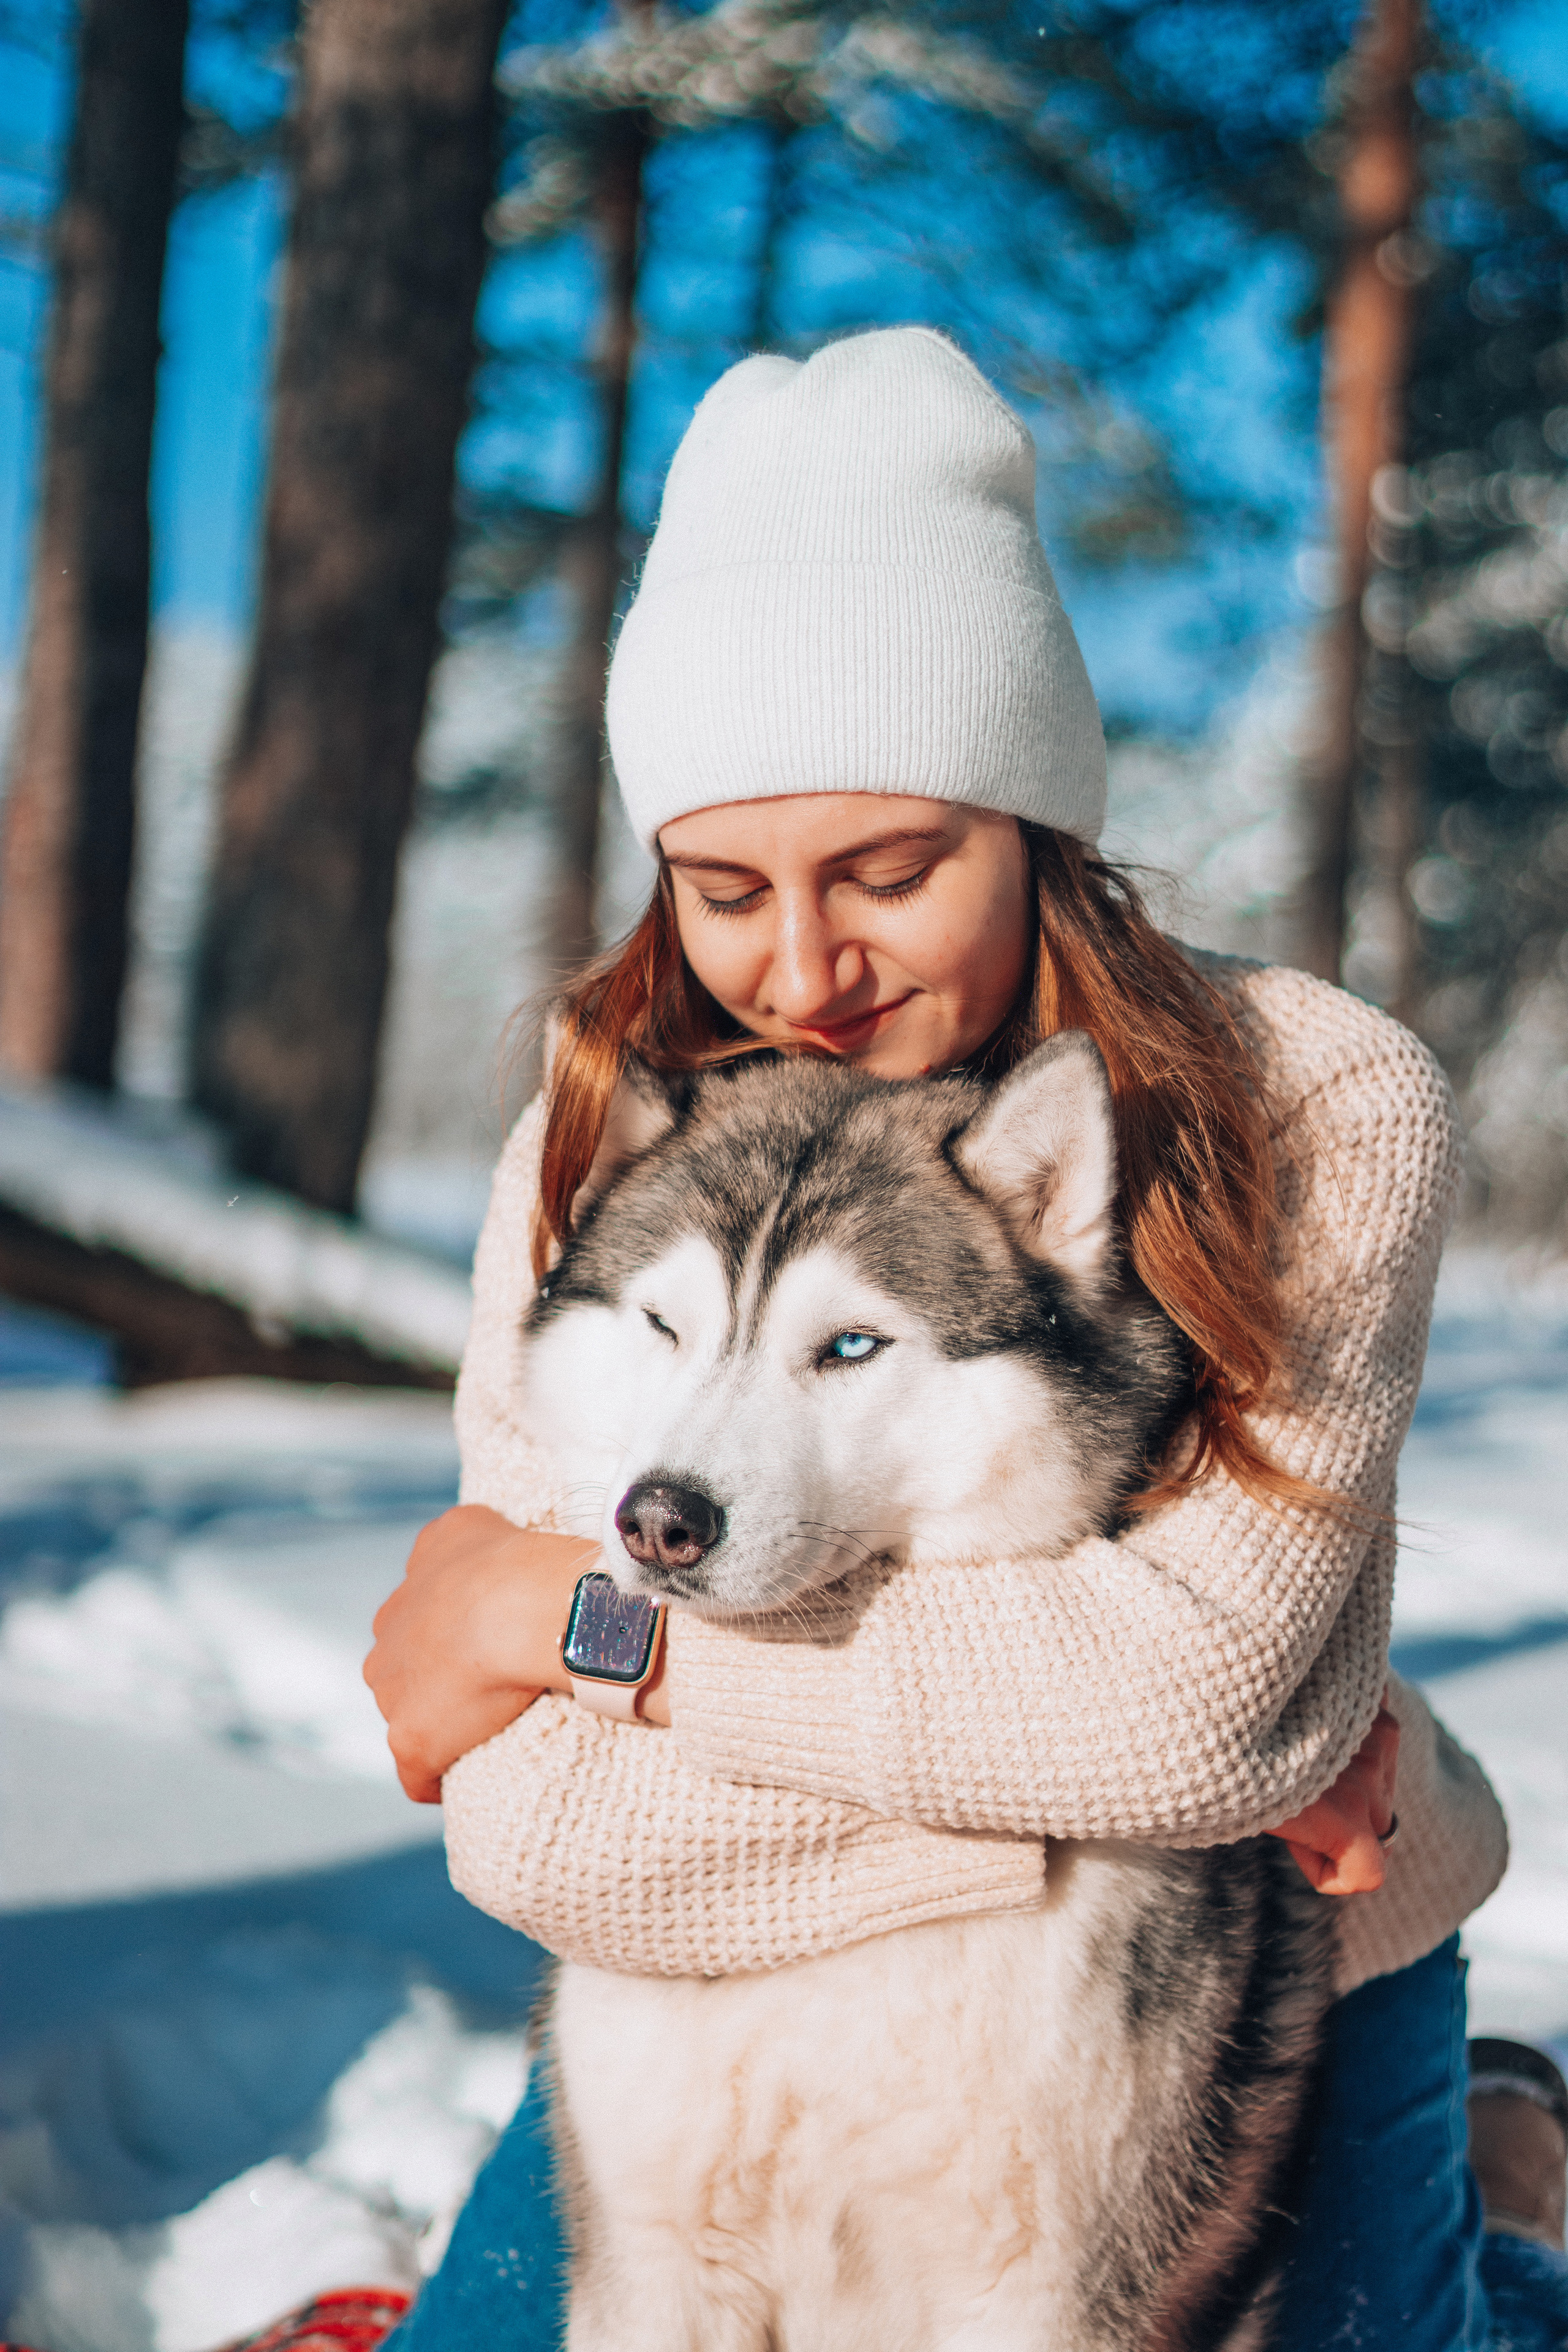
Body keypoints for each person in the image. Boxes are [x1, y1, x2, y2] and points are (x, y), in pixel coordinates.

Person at [353, 330, 1568, 2351]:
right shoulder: (615, 1137)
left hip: (1289, 1932)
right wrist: (1110, 1750)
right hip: (739, 1950)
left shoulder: (1321, 1098)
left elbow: (1185, 1721)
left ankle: (1512, 2193)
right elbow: (536, 1828)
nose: (804, 968)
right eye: (724, 887)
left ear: (1034, 823)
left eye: (891, 871)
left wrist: (576, 1621)